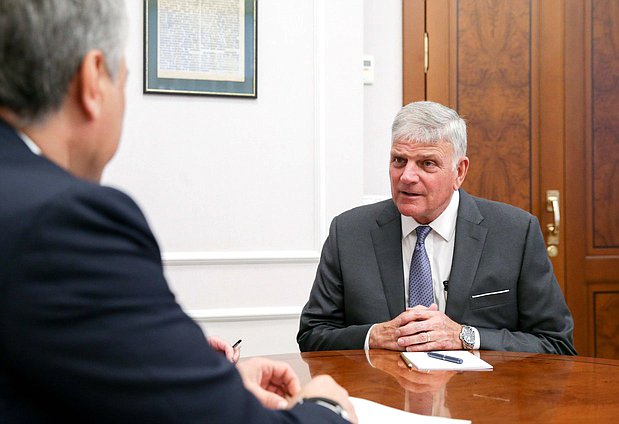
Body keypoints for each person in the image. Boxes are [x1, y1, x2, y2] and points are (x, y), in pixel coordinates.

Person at [0, 1, 356, 422]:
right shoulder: (66, 220)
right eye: (125, 81)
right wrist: (327, 407)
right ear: (93, 79)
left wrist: (199, 375)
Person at [297, 101, 576, 356]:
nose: (406, 177)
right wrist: (374, 335)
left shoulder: (515, 232)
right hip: (380, 399)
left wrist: (465, 336)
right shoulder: (348, 232)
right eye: (399, 160)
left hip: (482, 402)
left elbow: (556, 343)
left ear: (459, 172)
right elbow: (312, 334)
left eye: (426, 164)